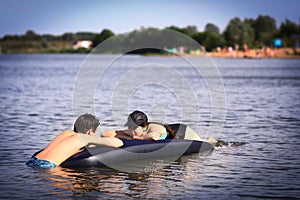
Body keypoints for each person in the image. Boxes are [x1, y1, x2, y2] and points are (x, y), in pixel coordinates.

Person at [26, 113, 123, 169]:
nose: (95, 135)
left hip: (32, 161)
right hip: (46, 166)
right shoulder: (83, 137)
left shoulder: (67, 133)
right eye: (95, 132)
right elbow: (118, 143)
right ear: (89, 131)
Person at [102, 110, 177, 140]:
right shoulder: (134, 131)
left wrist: (135, 137)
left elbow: (153, 137)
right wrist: (126, 137)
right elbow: (105, 134)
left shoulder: (156, 128)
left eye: (134, 127)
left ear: (143, 126)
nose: (131, 130)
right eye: (129, 127)